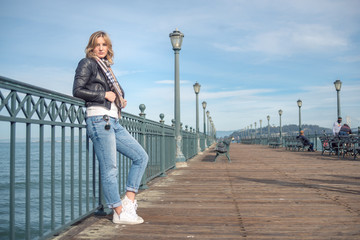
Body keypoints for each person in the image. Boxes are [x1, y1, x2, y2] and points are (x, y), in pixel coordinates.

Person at [73, 31, 148, 225]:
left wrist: (119, 100)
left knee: (141, 156)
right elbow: (77, 90)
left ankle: (129, 203)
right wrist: (104, 95)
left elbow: (114, 93)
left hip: (113, 121)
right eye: (97, 44)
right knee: (110, 168)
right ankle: (118, 211)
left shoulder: (106, 68)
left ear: (108, 48)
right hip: (99, 119)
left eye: (104, 45)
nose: (100, 48)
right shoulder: (87, 63)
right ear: (91, 47)